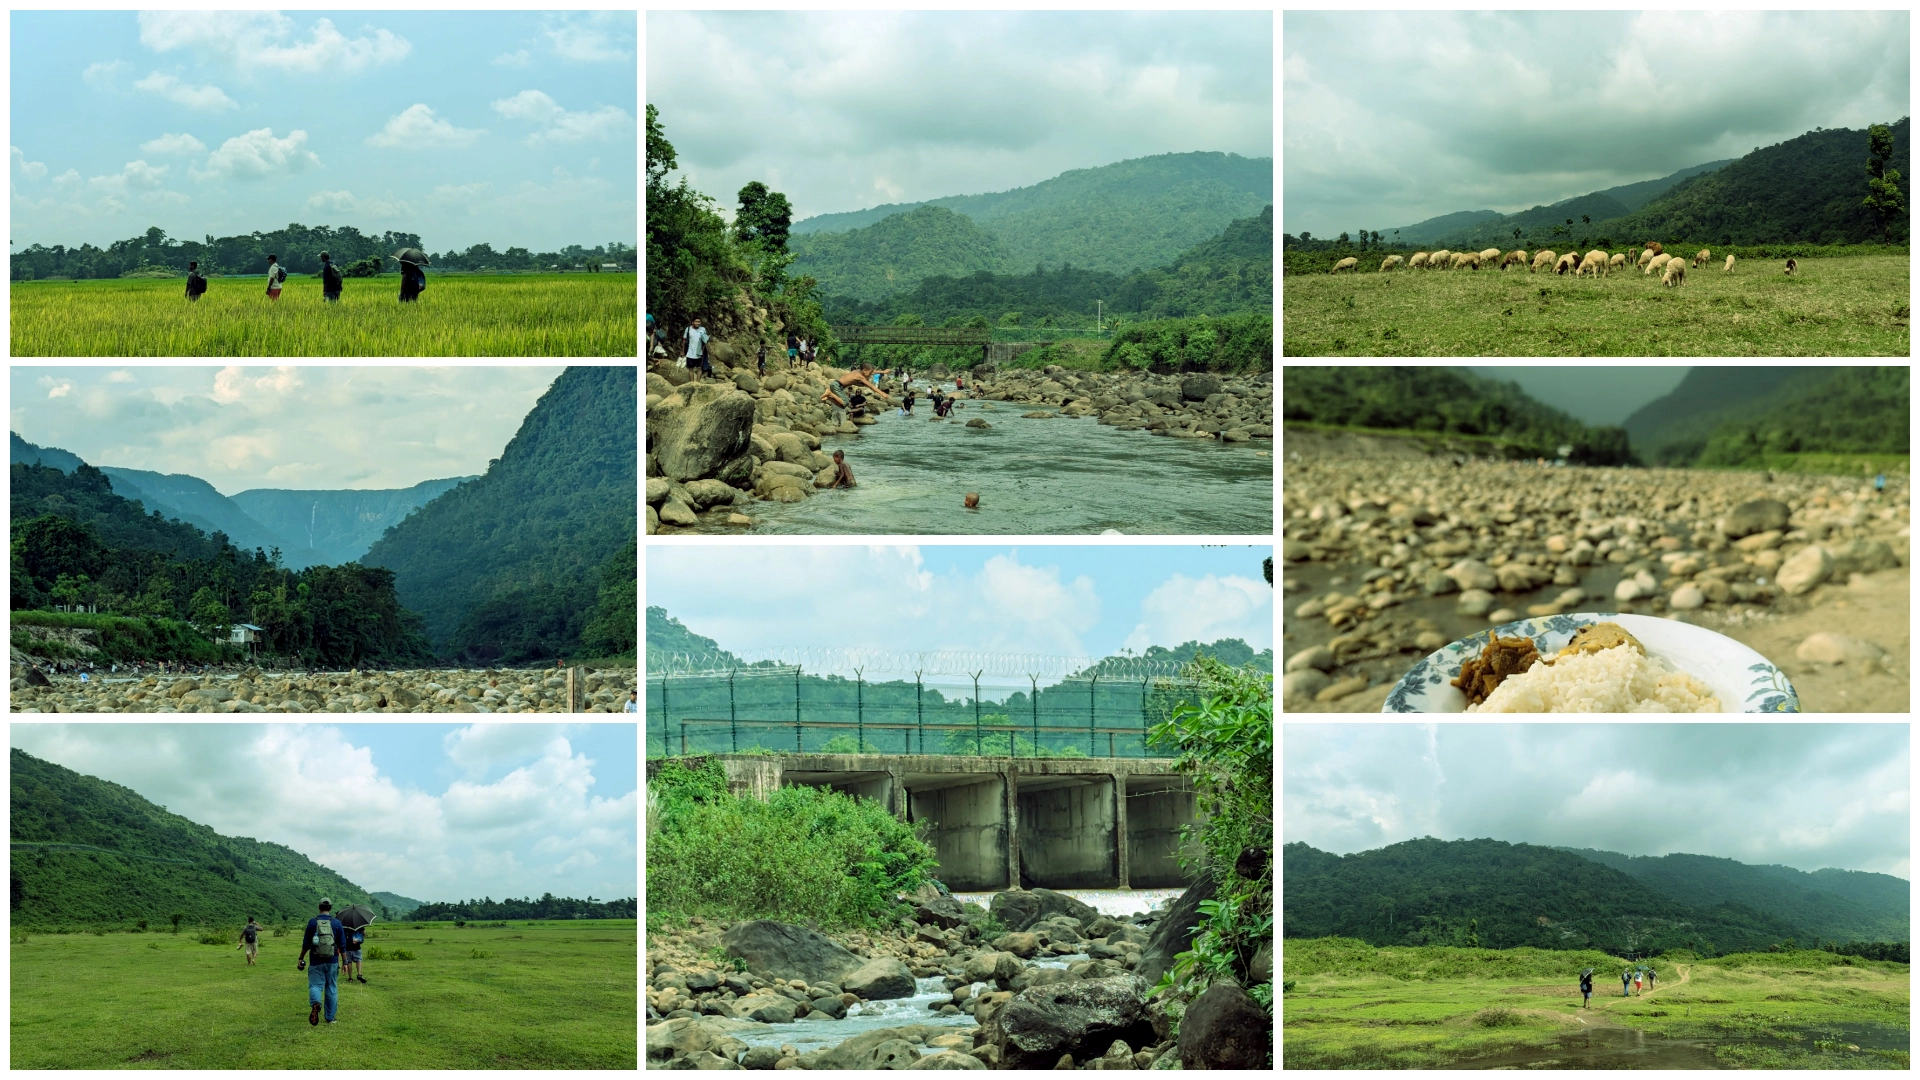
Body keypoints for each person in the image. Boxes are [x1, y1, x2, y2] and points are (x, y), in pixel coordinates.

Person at [298, 898, 348, 1026]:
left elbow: (306, 944)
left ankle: (316, 1003)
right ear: (330, 908)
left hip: (316, 961)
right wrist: (345, 962)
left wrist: (301, 958)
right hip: (332, 961)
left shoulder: (312, 922)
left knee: (315, 985)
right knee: (331, 987)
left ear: (319, 907)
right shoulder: (337, 923)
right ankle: (330, 1018)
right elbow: (342, 945)